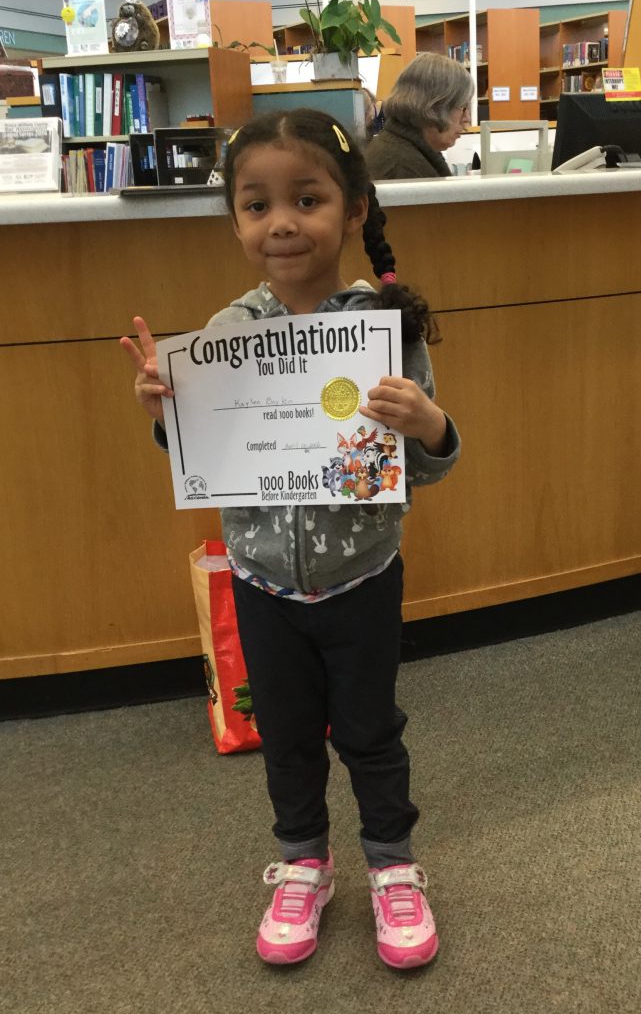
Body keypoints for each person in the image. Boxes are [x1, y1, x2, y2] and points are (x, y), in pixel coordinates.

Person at [120, 109, 460, 970]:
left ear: (352, 212)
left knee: (371, 730)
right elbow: (208, 465)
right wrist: (168, 413)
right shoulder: (227, 333)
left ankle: (392, 864)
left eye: (306, 199)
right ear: (235, 220)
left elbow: (423, 471)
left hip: (361, 579)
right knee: (285, 730)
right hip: (263, 582)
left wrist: (428, 424)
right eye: (255, 204)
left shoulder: (385, 328)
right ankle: (305, 861)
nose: (279, 223)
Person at [365, 52, 474, 180]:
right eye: (462, 107)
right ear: (434, 106)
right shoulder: (403, 168)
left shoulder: (401, 150)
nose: (467, 119)